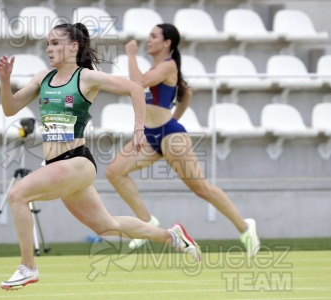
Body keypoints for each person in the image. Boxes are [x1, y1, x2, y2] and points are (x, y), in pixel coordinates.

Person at [0, 23, 201, 290]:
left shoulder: (86, 78)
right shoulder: (42, 78)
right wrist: (4, 81)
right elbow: (10, 108)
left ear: (73, 47)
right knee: (107, 227)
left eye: (56, 43)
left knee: (17, 195)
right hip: (55, 164)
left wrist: (138, 129)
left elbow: (136, 89)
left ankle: (28, 267)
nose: (49, 48)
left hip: (77, 161)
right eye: (48, 43)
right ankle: (172, 237)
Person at [105, 24, 260, 257]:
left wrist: (130, 54)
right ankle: (147, 220)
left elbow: (139, 83)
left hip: (171, 136)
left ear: (167, 43)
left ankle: (245, 227)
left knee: (201, 188)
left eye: (153, 36)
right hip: (150, 136)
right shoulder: (159, 67)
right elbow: (187, 92)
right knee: (114, 172)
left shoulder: (168, 65)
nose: (148, 39)